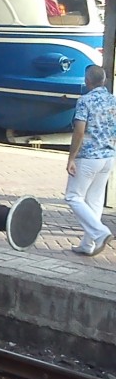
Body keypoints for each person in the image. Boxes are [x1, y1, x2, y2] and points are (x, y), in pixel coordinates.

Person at [65, 64, 116, 255]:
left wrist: (71, 158)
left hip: (88, 157)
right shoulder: (113, 100)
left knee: (73, 196)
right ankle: (88, 245)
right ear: (104, 80)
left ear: (87, 81)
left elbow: (79, 131)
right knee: (94, 200)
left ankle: (101, 233)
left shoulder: (84, 101)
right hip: (108, 157)